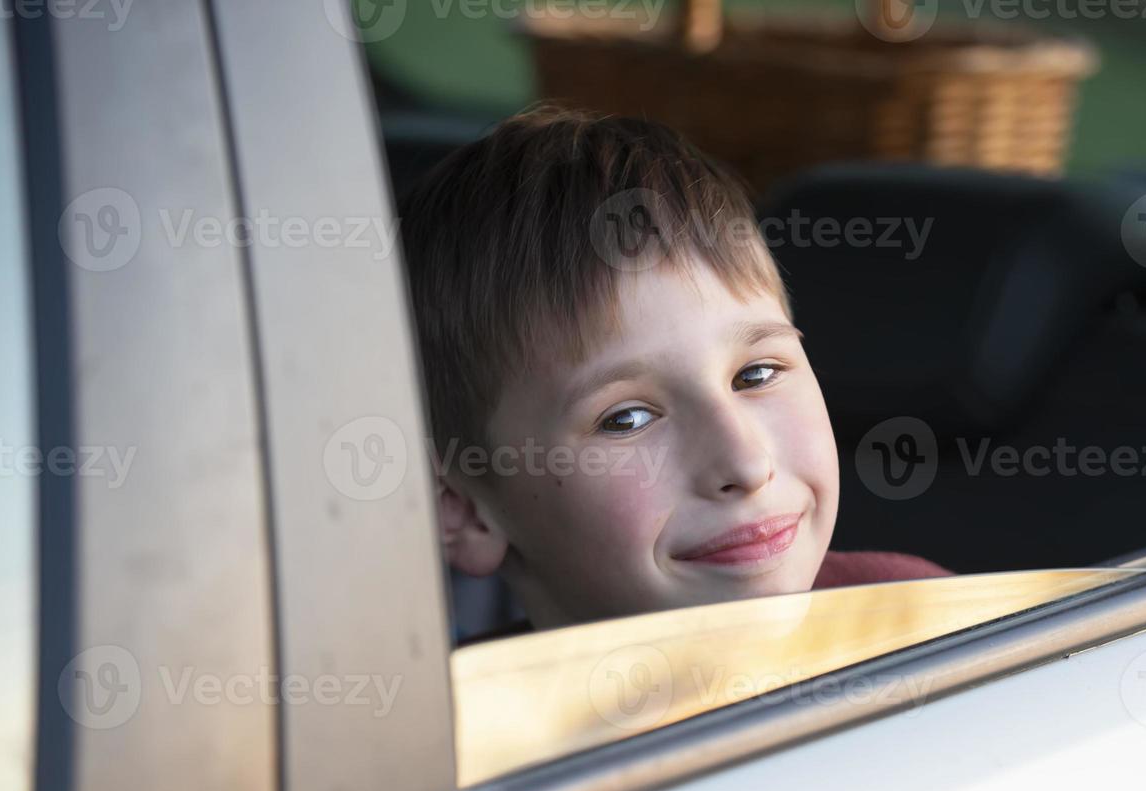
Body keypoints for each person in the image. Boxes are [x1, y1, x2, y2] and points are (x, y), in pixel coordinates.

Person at [400, 105, 945, 634]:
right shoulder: (467, 723)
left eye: (756, 374)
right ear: (466, 511)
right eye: (627, 419)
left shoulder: (932, 623)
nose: (746, 463)